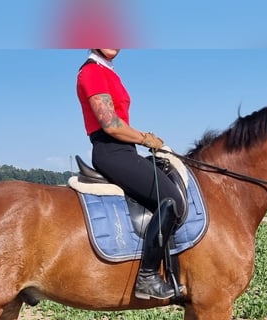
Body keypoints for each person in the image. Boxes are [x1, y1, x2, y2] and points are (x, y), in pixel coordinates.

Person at [76, 48, 186, 300]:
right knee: (170, 198)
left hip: (126, 150)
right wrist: (146, 138)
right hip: (111, 151)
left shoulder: (109, 72)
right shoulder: (91, 72)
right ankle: (147, 276)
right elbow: (111, 125)